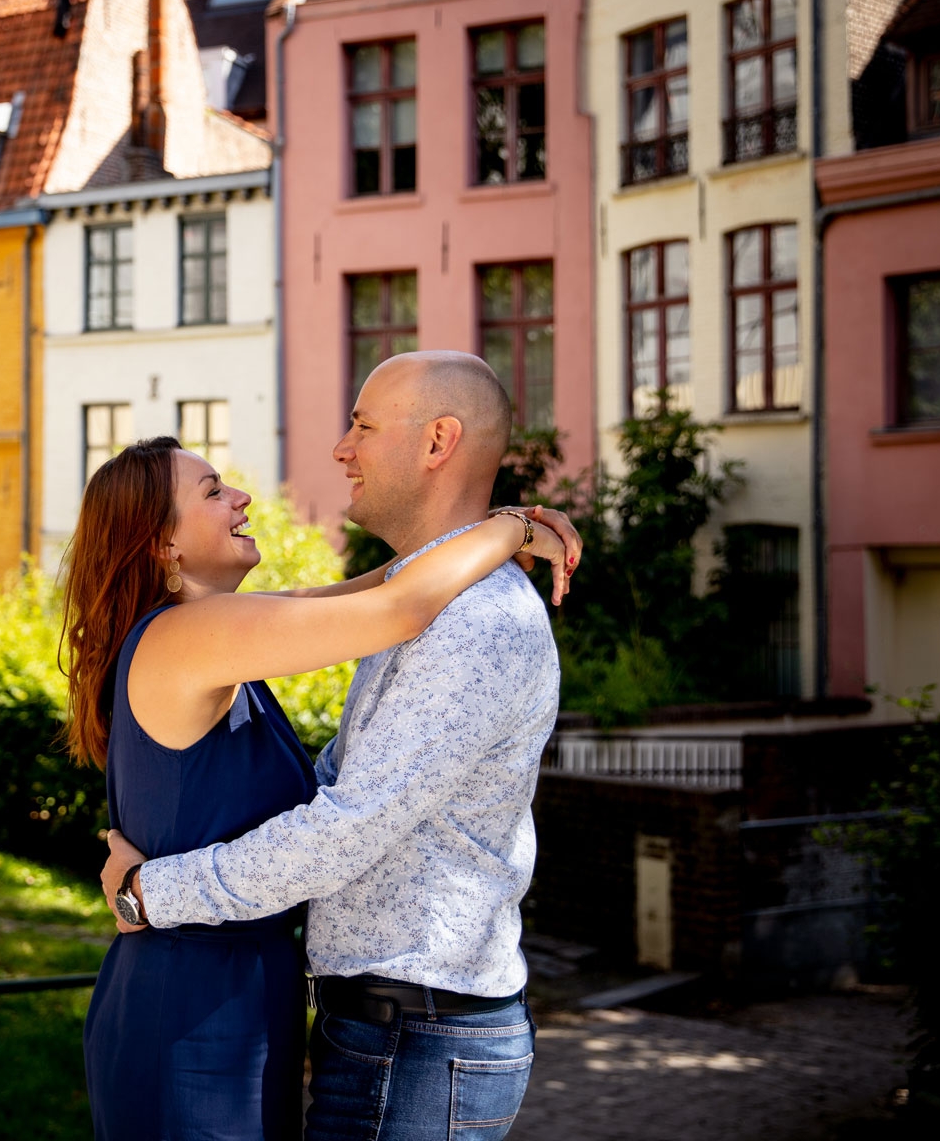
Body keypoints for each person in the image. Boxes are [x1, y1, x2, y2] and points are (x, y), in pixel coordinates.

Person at [66, 351, 577, 1141]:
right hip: (193, 1008)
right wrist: (510, 524)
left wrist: (491, 533)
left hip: (260, 1004)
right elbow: (399, 601)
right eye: (211, 491)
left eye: (362, 426)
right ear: (163, 546)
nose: (239, 494)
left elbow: (378, 590)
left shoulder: (231, 638)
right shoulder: (187, 638)